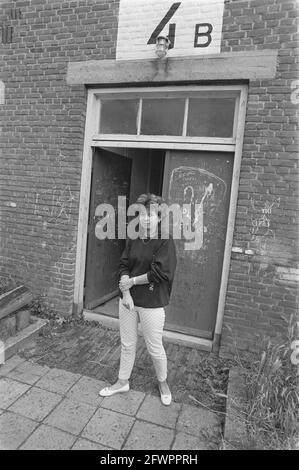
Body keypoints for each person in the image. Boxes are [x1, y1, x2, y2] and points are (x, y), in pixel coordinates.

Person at [99, 193, 177, 405]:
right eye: (142, 214)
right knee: (127, 343)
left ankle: (162, 382)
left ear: (159, 218)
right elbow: (124, 264)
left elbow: (160, 273)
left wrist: (131, 283)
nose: (145, 219)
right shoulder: (134, 238)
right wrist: (125, 292)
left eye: (150, 215)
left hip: (152, 302)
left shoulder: (165, 241)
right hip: (129, 301)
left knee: (154, 346)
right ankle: (122, 381)